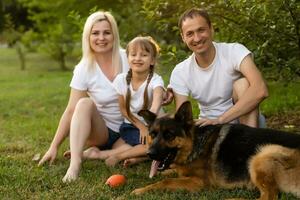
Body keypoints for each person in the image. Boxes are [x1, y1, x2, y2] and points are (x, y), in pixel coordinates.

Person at [38, 11, 130, 182]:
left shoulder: (128, 57)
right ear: (88, 36)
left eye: (106, 32)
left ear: (114, 35)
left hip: (131, 128)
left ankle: (95, 154)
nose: (101, 38)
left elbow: (149, 83)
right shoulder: (84, 68)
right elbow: (71, 110)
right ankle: (75, 163)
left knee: (151, 147)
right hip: (103, 131)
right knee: (83, 103)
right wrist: (53, 147)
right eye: (95, 33)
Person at [168, 8, 268, 127]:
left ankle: (249, 142)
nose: (197, 38)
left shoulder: (234, 51)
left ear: (211, 29)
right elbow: (182, 117)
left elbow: (260, 89)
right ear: (183, 37)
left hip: (246, 122)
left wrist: (221, 119)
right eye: (190, 34)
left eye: (201, 30)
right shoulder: (180, 71)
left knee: (243, 84)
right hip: (209, 126)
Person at [83, 36, 164, 167]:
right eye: (133, 54)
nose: (137, 58)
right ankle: (118, 156)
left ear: (152, 60)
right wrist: (141, 126)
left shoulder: (156, 81)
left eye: (144, 55)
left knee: (163, 143)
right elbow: (124, 110)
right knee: (153, 145)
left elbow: (156, 105)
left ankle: (132, 158)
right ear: (128, 58)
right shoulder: (121, 80)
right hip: (131, 125)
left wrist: (149, 126)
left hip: (152, 125)